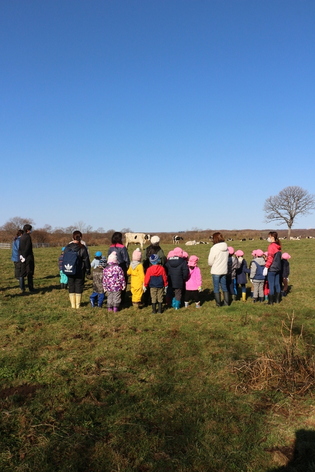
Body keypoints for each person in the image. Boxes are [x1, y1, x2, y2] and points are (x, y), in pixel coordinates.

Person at [63, 230, 91, 309]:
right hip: (80, 270)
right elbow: (86, 259)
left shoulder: (67, 247)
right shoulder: (82, 247)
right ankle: (78, 305)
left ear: (72, 237)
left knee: (71, 285)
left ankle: (72, 305)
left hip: (69, 268)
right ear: (81, 238)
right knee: (79, 286)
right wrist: (88, 270)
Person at [208, 232, 229, 307]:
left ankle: (218, 303)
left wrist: (211, 265)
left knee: (216, 287)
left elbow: (210, 261)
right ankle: (226, 303)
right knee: (224, 287)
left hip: (216, 270)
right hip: (224, 270)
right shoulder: (226, 248)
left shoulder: (214, 248)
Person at [108, 232, 130, 303]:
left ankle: (113, 298)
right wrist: (127, 268)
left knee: (114, 282)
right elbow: (126, 259)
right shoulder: (122, 247)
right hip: (121, 266)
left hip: (112, 267)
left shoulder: (111, 247)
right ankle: (121, 298)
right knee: (122, 282)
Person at [263, 231, 282, 304]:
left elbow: (270, 257)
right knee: (277, 283)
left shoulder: (271, 246)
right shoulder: (278, 246)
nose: (268, 238)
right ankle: (278, 300)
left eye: (269, 237)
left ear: (272, 237)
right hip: (278, 267)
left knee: (271, 284)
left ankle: (270, 301)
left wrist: (266, 267)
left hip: (272, 268)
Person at [19, 224, 35, 293]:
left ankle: (22, 287)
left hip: (22, 256)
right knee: (29, 272)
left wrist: (21, 255)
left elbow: (20, 247)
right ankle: (30, 288)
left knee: (22, 273)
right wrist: (25, 256)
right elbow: (28, 247)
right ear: (28, 230)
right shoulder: (28, 237)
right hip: (28, 257)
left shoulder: (22, 237)